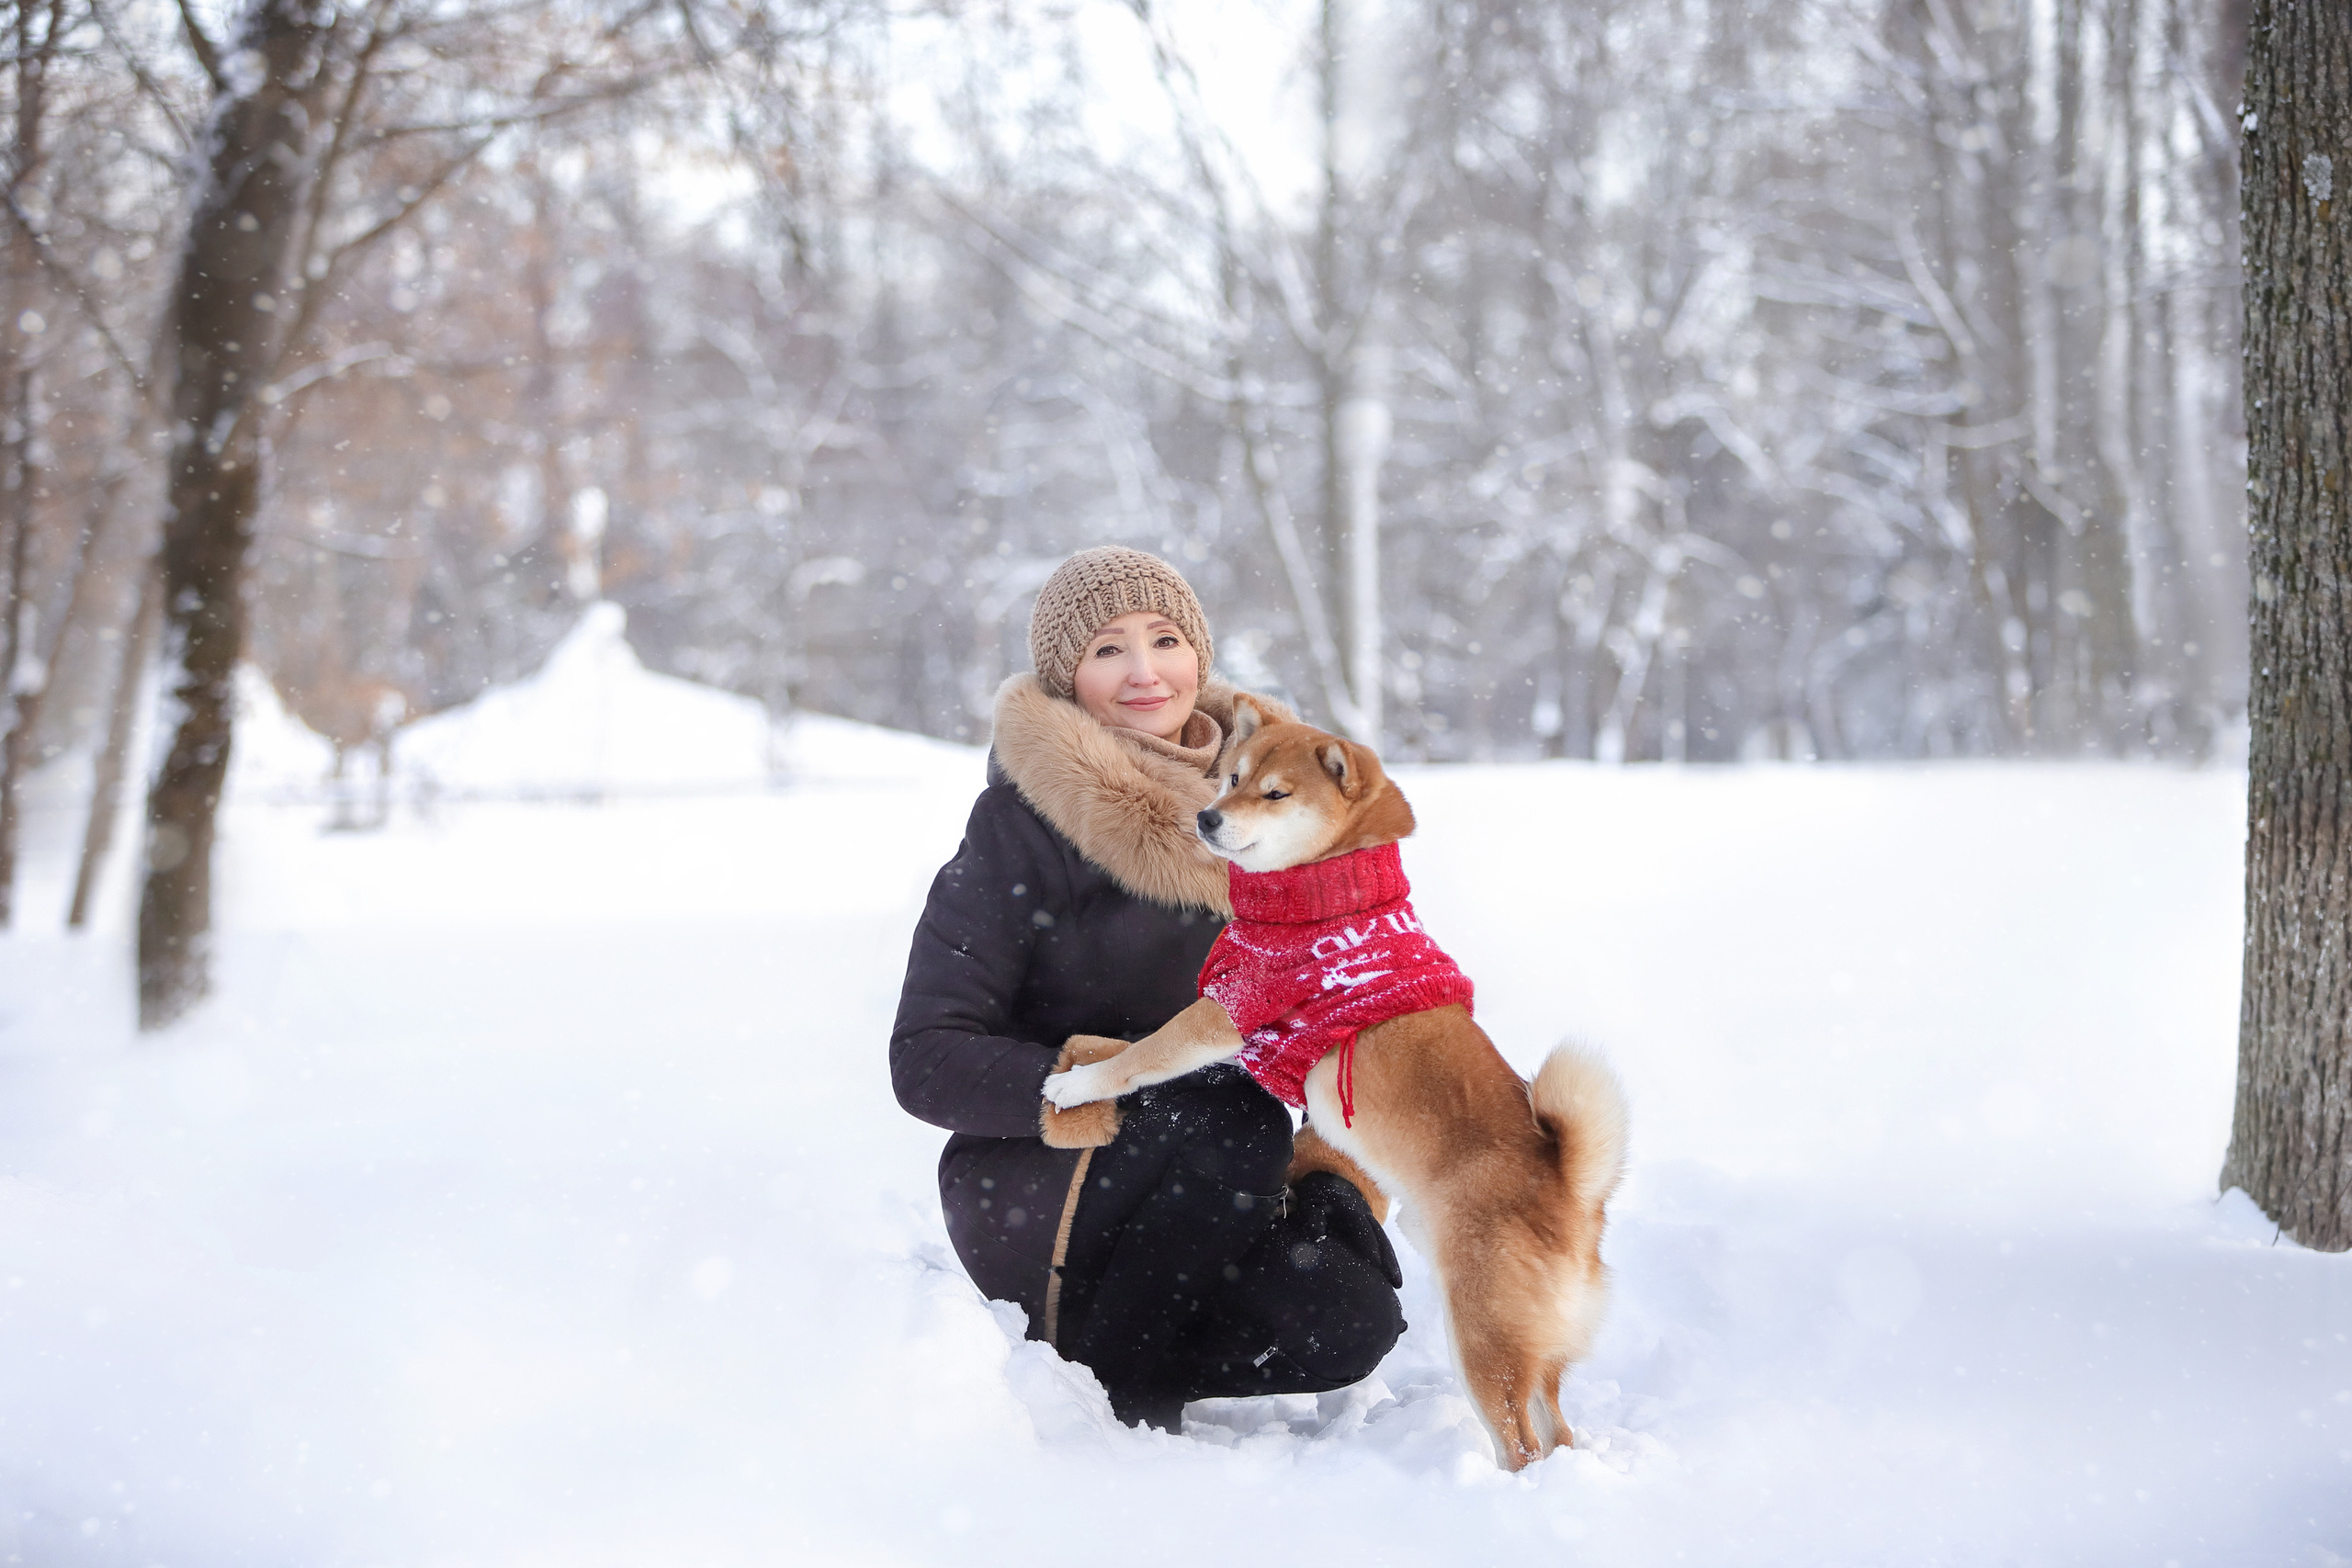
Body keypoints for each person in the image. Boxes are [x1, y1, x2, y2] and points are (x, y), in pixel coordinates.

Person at [890, 546, 1405, 1429]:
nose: (1143, 672)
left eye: (1164, 638)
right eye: (1106, 650)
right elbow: (925, 1058)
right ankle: (1129, 1397)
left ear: (1199, 655)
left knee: (1350, 1318)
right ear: (1068, 677)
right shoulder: (1020, 823)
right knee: (1226, 1103)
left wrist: (1335, 1174)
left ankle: (1115, 1350)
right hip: (1042, 1187)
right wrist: (1108, 1079)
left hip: (1219, 1190)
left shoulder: (1288, 810)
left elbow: (1346, 1013)